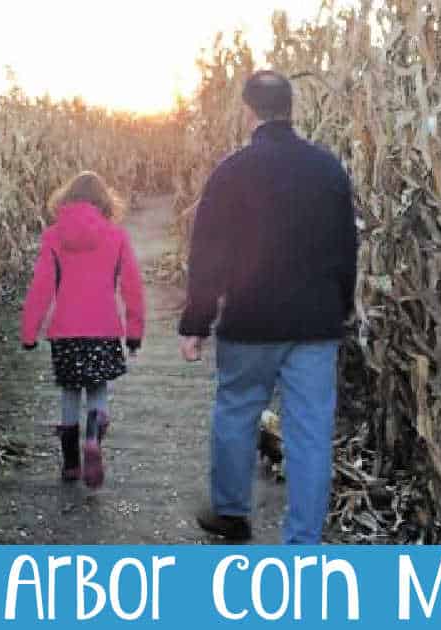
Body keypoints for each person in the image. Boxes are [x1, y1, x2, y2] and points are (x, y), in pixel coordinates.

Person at [178, 70, 359, 544]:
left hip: (250, 320)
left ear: (248, 110)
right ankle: (302, 543)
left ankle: (232, 514)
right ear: (291, 108)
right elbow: (346, 247)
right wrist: (340, 307)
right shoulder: (327, 169)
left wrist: (197, 320)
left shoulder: (231, 171)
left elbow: (209, 253)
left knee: (236, 412)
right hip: (314, 324)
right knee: (311, 434)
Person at [21, 171, 146, 489]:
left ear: (67, 198)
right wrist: (134, 330)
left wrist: (29, 331)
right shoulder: (116, 236)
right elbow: (132, 286)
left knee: (69, 391)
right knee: (98, 388)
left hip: (65, 330)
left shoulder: (53, 236)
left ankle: (71, 465)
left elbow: (41, 287)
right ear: (105, 201)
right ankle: (93, 439)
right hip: (103, 328)